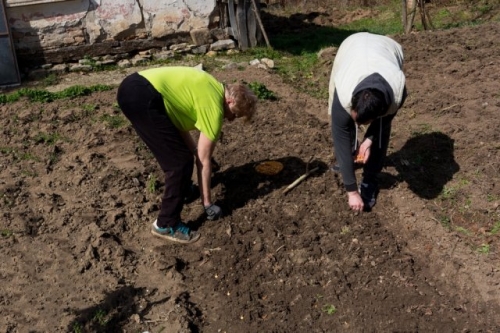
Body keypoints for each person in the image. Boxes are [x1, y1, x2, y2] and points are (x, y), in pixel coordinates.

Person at [117, 66, 258, 243]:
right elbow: (203, 162)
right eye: (235, 115)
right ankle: (166, 224)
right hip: (142, 98)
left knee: (181, 157)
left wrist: (196, 153)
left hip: (133, 86)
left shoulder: (211, 85)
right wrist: (207, 204)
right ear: (230, 102)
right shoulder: (214, 109)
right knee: (179, 164)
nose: (230, 119)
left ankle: (182, 190)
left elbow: (179, 125)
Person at [328, 32, 407, 212]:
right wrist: (351, 191)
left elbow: (385, 120)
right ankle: (349, 156)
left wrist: (370, 138)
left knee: (380, 134)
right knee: (343, 126)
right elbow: (339, 135)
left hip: (386, 49)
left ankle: (370, 179)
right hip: (351, 47)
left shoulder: (397, 93)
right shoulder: (345, 90)